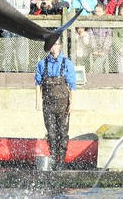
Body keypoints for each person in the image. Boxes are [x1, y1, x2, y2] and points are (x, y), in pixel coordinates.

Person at [35, 39, 76, 171]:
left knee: (63, 132)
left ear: (60, 46)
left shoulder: (67, 63)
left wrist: (72, 103)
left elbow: (72, 85)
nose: (54, 47)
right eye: (52, 45)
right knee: (51, 133)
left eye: (56, 44)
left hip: (63, 103)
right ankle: (53, 158)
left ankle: (61, 161)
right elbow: (37, 84)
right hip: (48, 104)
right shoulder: (42, 63)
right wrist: (37, 102)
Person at [0, 0, 31, 72]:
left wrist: (13, 11)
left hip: (20, 26)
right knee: (7, 54)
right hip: (7, 26)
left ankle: (23, 75)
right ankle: (7, 76)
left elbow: (27, 9)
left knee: (21, 54)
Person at [88, 3, 112, 73]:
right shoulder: (92, 21)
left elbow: (109, 37)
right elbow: (91, 35)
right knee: (96, 66)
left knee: (97, 66)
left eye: (99, 12)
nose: (97, 13)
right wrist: (94, 48)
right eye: (96, 12)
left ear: (104, 12)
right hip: (95, 49)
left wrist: (104, 50)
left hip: (106, 49)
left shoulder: (108, 22)